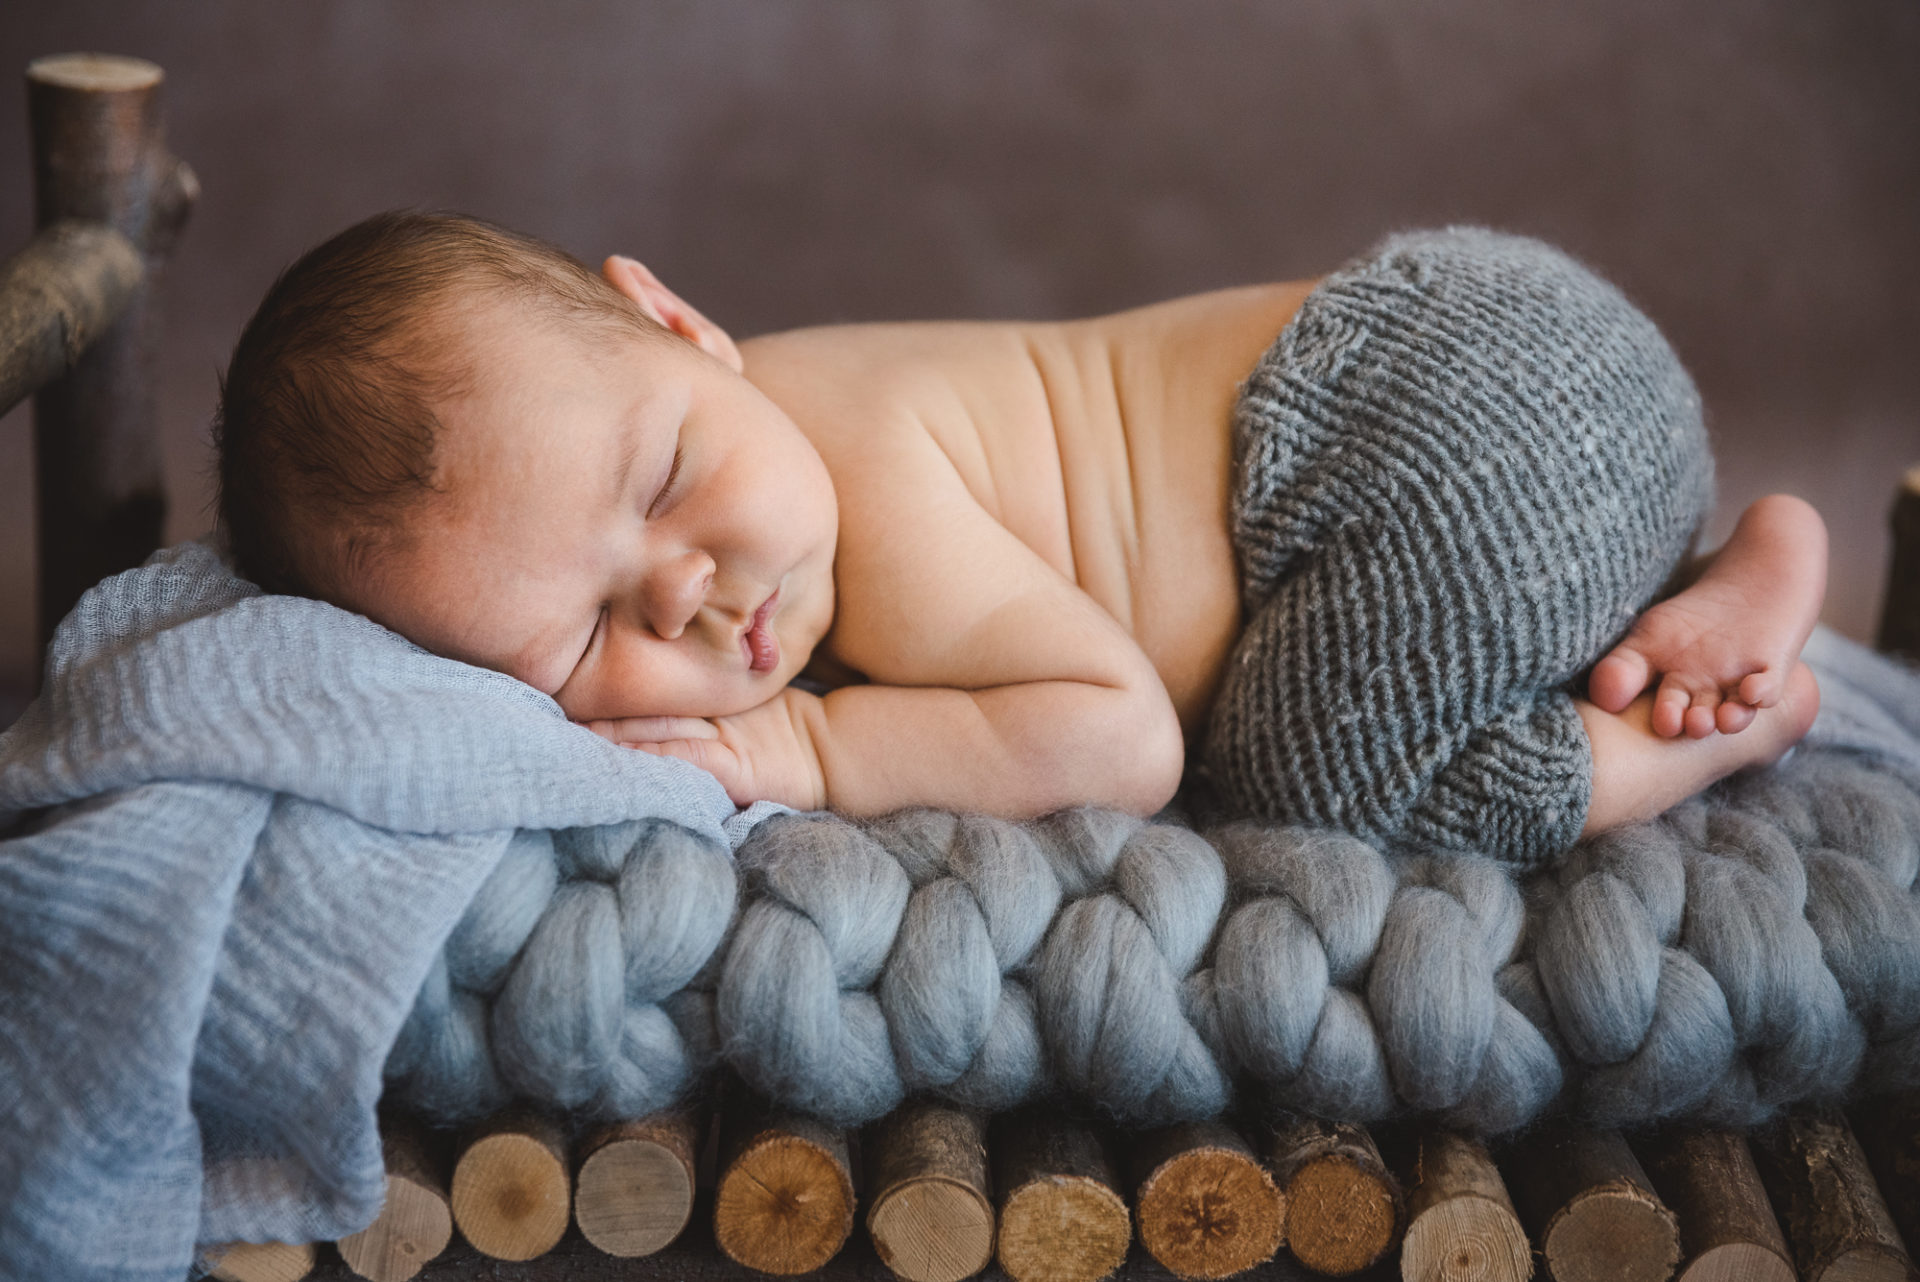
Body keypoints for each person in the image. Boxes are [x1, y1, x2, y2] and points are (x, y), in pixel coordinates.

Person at [213, 211, 1825, 863]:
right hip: (1517, 368)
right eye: (576, 640)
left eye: (658, 485)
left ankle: (1712, 729)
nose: (694, 604)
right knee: (1414, 657)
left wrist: (814, 751)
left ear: (683, 323)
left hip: (1429, 418)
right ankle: (1721, 569)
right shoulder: (754, 436)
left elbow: (1117, 737)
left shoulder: (863, 461)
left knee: (1302, 783)